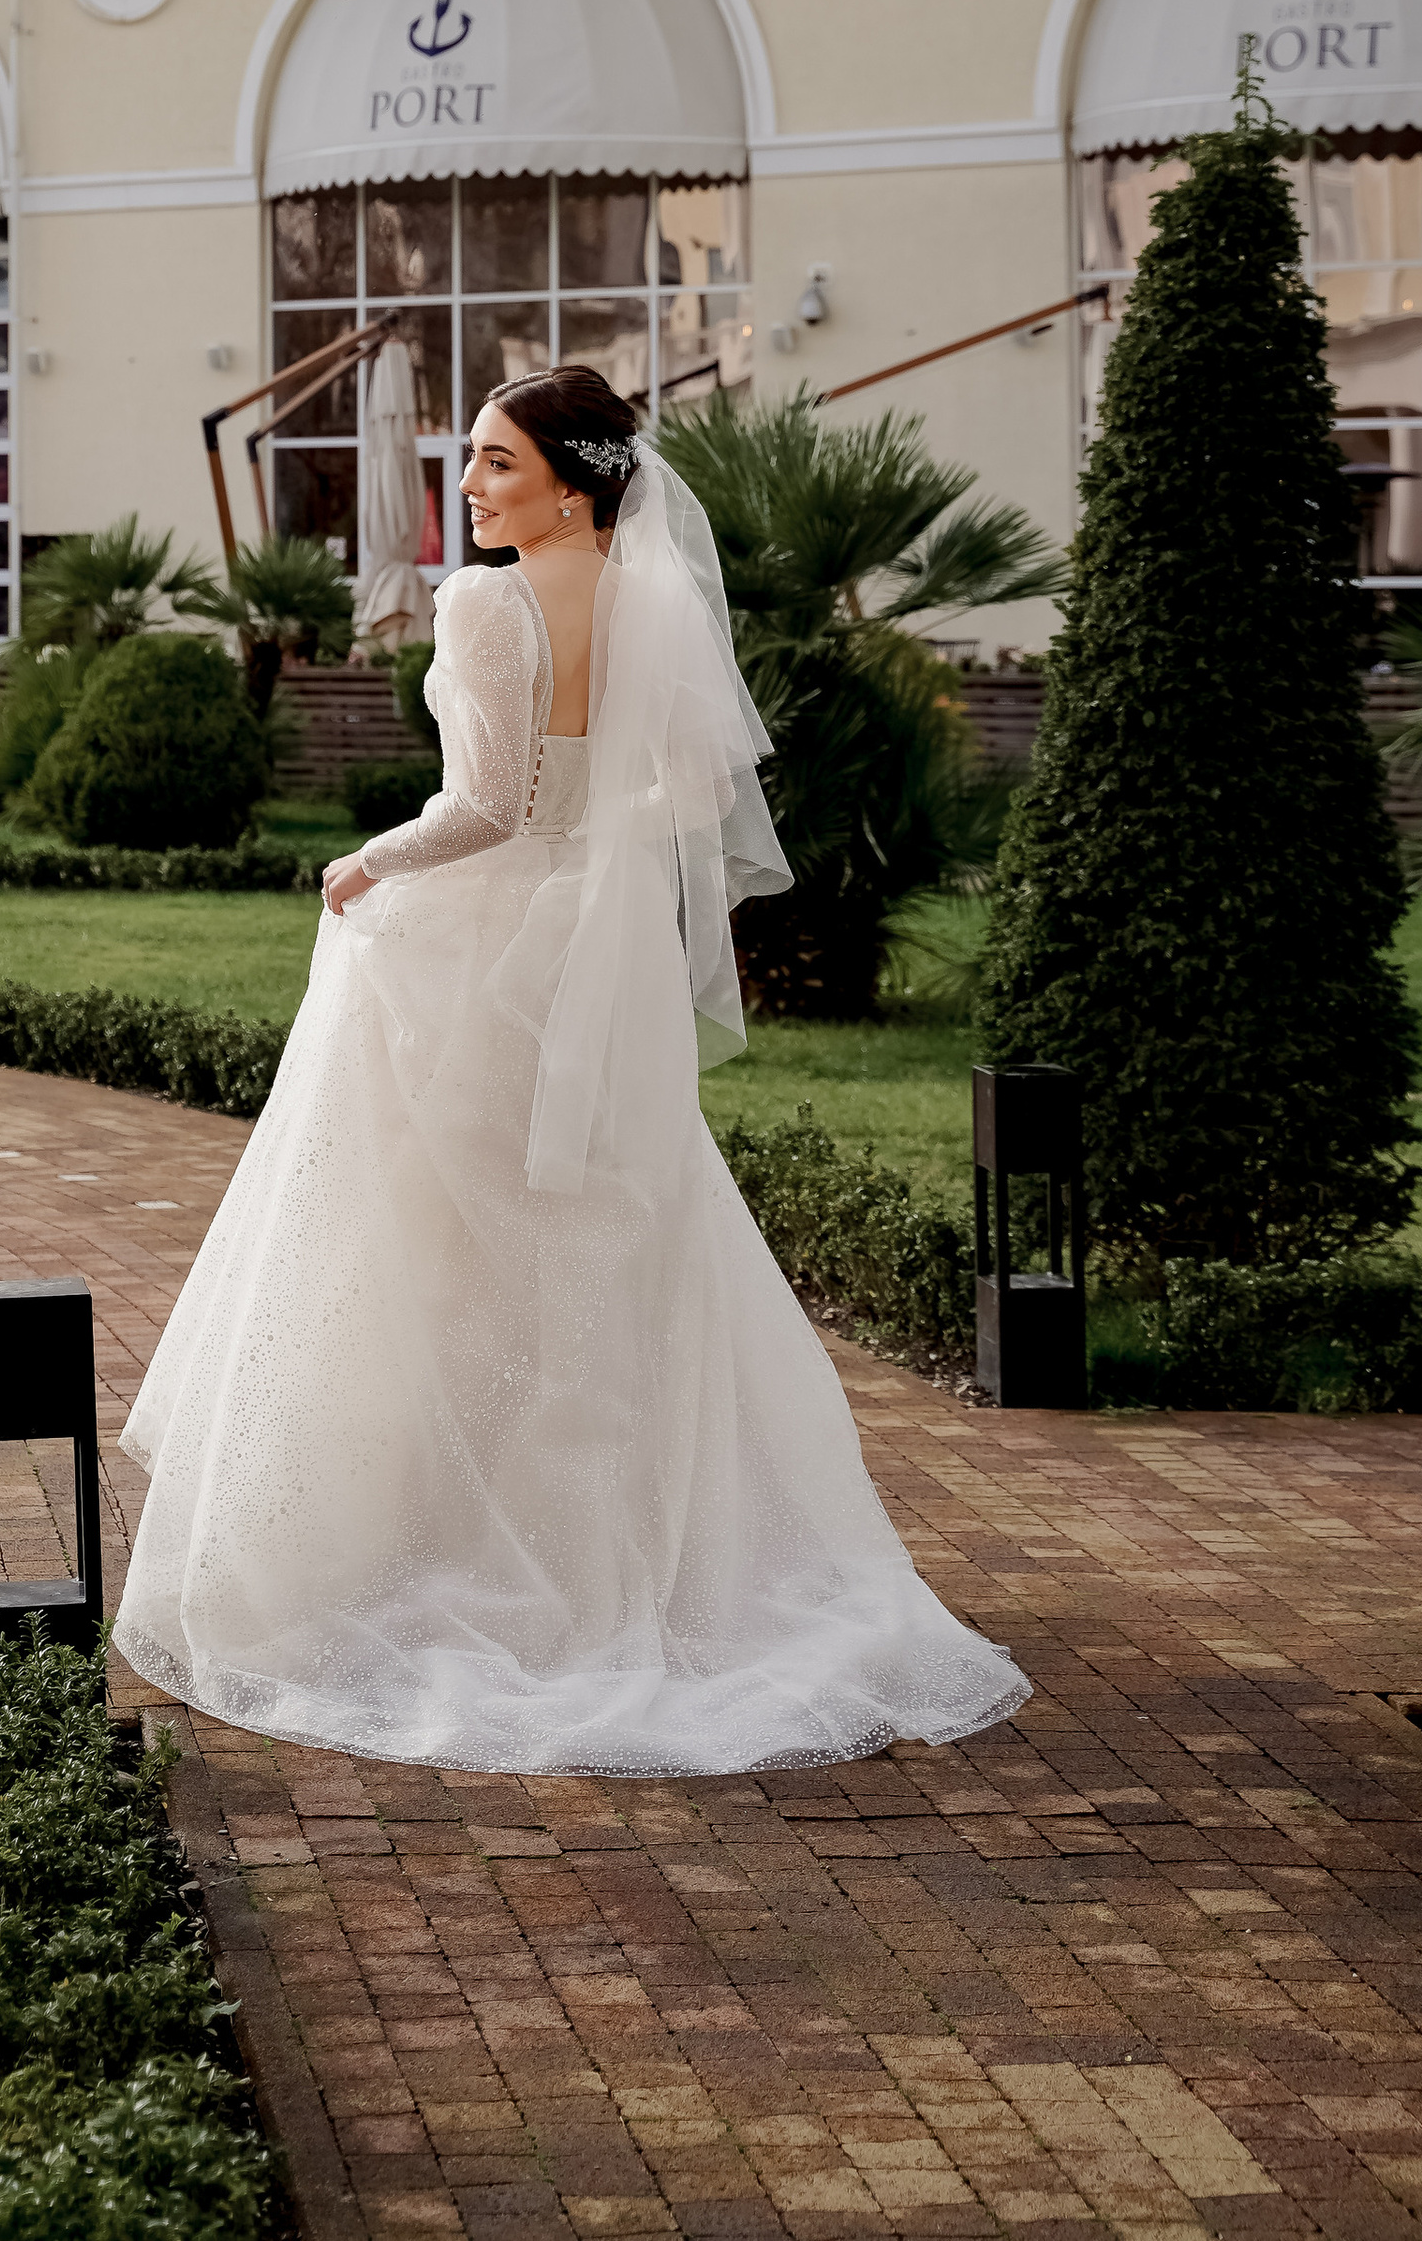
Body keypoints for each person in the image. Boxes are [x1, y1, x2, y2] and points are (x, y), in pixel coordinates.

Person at [114, 362, 1030, 1776]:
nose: (469, 488)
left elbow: (485, 804)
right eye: (468, 460)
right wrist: (596, 847)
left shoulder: (489, 604)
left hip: (486, 950)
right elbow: (688, 792)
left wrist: (368, 860)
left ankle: (441, 1548)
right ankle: (607, 1554)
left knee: (435, 1246)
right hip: (597, 966)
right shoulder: (658, 595)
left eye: (494, 464)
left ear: (573, 477)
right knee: (593, 1241)